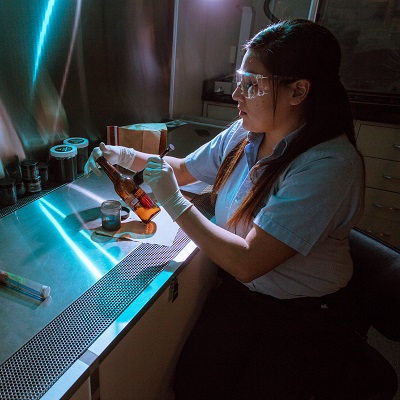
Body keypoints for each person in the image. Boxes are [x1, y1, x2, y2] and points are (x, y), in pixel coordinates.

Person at [84, 19, 364, 400]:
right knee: (194, 385)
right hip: (243, 294)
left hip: (304, 315)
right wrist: (124, 156)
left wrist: (174, 203)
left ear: (298, 90)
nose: (237, 94)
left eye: (252, 84)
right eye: (239, 79)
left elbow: (249, 260)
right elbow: (182, 169)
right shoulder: (246, 132)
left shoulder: (328, 164)